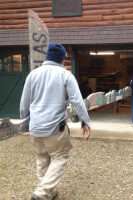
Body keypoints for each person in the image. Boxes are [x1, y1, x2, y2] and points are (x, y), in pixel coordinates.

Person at [20, 43, 91, 200]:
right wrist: (85, 121)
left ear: (47, 57)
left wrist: (24, 122)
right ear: (62, 59)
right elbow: (77, 102)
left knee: (42, 157)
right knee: (60, 156)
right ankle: (42, 192)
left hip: (35, 127)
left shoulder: (32, 74)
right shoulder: (65, 75)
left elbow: (24, 103)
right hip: (54, 128)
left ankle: (48, 193)